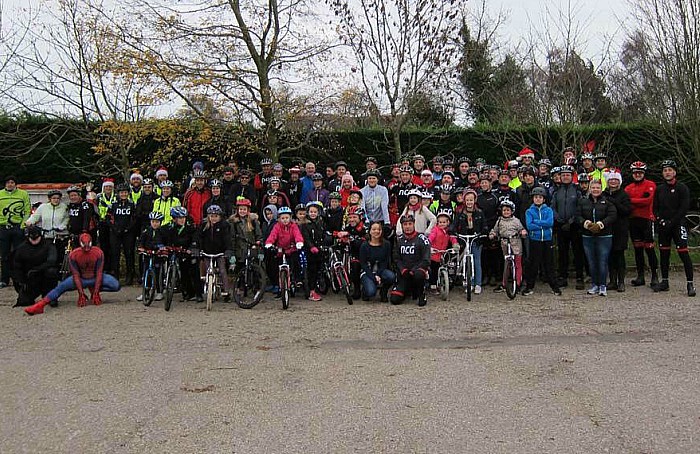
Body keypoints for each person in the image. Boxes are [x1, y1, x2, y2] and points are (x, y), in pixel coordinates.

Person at [24, 233, 121, 315]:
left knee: (116, 285)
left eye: (88, 244)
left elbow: (99, 272)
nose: (87, 248)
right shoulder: (74, 254)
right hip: (82, 278)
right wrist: (81, 293)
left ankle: (92, 289)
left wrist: (95, 291)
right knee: (60, 287)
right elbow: (76, 274)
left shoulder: (98, 253)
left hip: (93, 277)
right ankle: (40, 305)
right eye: (84, 244)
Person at [653, 160, 695, 296]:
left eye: (670, 170)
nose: (667, 173)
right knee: (664, 254)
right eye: (665, 170)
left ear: (674, 172)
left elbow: (684, 208)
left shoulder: (682, 188)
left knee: (683, 253)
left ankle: (690, 284)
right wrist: (660, 220)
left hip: (678, 225)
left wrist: (672, 222)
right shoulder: (659, 189)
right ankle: (664, 281)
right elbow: (655, 207)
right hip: (664, 225)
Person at [577, 179, 617, 296]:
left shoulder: (607, 202)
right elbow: (577, 215)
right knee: (591, 261)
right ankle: (594, 284)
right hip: (588, 236)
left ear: (601, 189)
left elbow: (612, 215)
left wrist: (601, 224)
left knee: (602, 260)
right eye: (593, 188)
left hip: (604, 236)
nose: (595, 190)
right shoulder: (583, 202)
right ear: (590, 189)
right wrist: (586, 224)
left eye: (597, 188)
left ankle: (603, 285)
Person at [624, 161, 659, 287]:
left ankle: (654, 276)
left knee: (649, 248)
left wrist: (632, 200)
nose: (638, 175)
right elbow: (626, 203)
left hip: (647, 219)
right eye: (635, 173)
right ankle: (640, 276)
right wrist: (636, 201)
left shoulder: (650, 184)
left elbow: (647, 200)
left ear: (644, 173)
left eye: (640, 173)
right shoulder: (628, 187)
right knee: (637, 249)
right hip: (634, 220)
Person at [551, 166, 585, 290]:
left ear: (572, 176)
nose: (565, 177)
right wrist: (559, 219)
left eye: (568, 175)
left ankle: (580, 277)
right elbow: (552, 207)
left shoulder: (577, 190)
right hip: (561, 226)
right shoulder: (556, 191)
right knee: (562, 252)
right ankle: (562, 277)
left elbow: (579, 207)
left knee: (577, 252)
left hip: (574, 226)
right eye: (563, 175)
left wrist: (571, 221)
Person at [523, 187, 561, 296]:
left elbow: (550, 223)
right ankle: (529, 287)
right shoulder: (529, 211)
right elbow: (529, 226)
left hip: (547, 240)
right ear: (533, 199)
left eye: (540, 197)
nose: (538, 199)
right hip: (535, 240)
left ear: (544, 199)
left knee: (549, 264)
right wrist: (542, 225)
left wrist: (537, 222)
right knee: (533, 264)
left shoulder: (548, 210)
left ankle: (555, 287)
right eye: (536, 197)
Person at [11, 226, 58, 307]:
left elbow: (52, 261)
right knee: (24, 302)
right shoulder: (22, 248)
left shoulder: (49, 245)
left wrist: (37, 270)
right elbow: (16, 266)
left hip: (45, 276)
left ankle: (50, 296)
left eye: (36, 238)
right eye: (32, 239)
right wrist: (21, 282)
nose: (34, 241)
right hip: (30, 279)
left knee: (51, 271)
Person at [391, 214, 431, 307]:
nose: (407, 226)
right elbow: (396, 258)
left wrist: (414, 270)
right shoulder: (399, 240)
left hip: (418, 270)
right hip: (404, 273)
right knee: (395, 300)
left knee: (418, 274)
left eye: (410, 224)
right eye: (405, 224)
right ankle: (408, 290)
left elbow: (426, 260)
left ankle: (421, 293)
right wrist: (403, 270)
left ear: (414, 224)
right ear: (402, 226)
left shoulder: (422, 239)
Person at [264, 206, 304, 299]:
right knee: (277, 267)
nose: (285, 220)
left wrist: (299, 242)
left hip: (291, 248)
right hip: (280, 250)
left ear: (290, 218)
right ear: (279, 219)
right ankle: (280, 287)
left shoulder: (293, 226)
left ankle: (296, 279)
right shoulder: (277, 226)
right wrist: (269, 243)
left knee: (295, 263)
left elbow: (297, 234)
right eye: (282, 218)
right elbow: (272, 236)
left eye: (287, 218)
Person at [489, 199, 527, 293]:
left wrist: (523, 232)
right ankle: (504, 283)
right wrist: (492, 234)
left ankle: (518, 283)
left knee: (517, 264)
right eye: (504, 210)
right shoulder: (499, 221)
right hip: (505, 244)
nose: (506, 212)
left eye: (508, 210)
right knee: (506, 264)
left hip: (515, 244)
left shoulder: (516, 221)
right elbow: (495, 230)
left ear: (512, 211)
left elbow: (521, 229)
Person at [164, 206, 202, 302]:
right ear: (174, 219)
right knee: (183, 272)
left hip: (188, 251)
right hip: (176, 251)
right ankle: (186, 292)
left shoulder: (190, 228)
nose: (182, 220)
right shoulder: (169, 228)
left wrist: (192, 247)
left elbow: (196, 238)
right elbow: (164, 238)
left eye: (183, 218)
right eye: (180, 218)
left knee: (194, 271)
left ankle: (198, 294)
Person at [0, 175, 32, 288]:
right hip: (3, 228)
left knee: (19, 254)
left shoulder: (23, 194)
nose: (10, 184)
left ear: (15, 184)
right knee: (4, 255)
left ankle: (19, 278)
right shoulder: (0, 194)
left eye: (12, 182)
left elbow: (27, 209)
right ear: (5, 184)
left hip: (18, 227)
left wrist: (23, 224)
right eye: (8, 182)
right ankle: (4, 279)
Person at [454, 189, 488, 294]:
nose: (469, 202)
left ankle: (477, 283)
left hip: (476, 238)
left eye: (471, 200)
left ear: (475, 200)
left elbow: (484, 225)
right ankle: (469, 282)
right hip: (464, 238)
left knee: (476, 260)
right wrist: (453, 232)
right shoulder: (460, 213)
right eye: (467, 200)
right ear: (464, 201)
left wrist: (483, 232)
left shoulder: (479, 212)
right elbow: (454, 225)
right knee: (466, 259)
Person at [604, 170, 631, 292]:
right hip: (607, 227)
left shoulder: (623, 194)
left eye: (615, 179)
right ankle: (612, 280)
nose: (613, 181)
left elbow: (627, 211)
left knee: (619, 255)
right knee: (609, 255)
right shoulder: (603, 193)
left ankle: (621, 281)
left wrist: (614, 202)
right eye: (611, 179)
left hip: (620, 228)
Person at [25, 189, 69, 264]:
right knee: (47, 256)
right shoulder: (43, 207)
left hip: (59, 236)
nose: (56, 200)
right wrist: (29, 222)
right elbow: (35, 216)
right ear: (49, 199)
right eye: (54, 198)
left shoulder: (64, 207)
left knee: (59, 256)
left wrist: (62, 227)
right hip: (46, 236)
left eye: (58, 198)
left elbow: (67, 219)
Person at [108, 183, 137, 285]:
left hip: (128, 233)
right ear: (118, 193)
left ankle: (130, 275)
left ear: (128, 193)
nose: (123, 194)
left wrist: (127, 229)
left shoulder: (131, 204)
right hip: (115, 232)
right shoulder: (114, 204)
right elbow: (109, 217)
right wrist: (115, 228)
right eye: (122, 192)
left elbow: (134, 218)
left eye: (125, 192)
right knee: (115, 254)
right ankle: (115, 275)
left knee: (129, 253)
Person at [359, 221, 395, 302]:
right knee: (371, 292)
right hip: (367, 271)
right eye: (374, 229)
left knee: (391, 277)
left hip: (381, 270)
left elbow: (385, 261)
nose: (376, 231)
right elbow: (363, 264)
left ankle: (383, 291)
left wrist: (378, 274)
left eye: (379, 229)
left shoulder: (387, 244)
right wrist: (373, 277)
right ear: (370, 231)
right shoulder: (364, 246)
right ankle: (365, 291)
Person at [137, 212, 168, 301]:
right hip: (148, 254)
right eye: (153, 221)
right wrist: (140, 248)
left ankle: (159, 291)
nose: (155, 224)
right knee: (146, 272)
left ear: (160, 222)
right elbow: (141, 242)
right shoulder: (146, 231)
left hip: (158, 255)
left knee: (158, 273)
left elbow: (166, 243)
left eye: (157, 222)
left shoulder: (162, 232)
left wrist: (163, 249)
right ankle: (145, 292)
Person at [428, 212, 459, 293]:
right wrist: (428, 243)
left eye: (444, 222)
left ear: (448, 222)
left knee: (446, 266)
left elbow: (452, 238)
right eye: (440, 222)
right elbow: (431, 237)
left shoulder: (448, 231)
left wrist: (455, 244)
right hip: (434, 253)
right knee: (434, 269)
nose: (442, 224)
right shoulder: (435, 230)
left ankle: (446, 282)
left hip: (443, 253)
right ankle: (433, 285)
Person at [301, 201, 326, 301]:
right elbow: (306, 238)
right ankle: (311, 291)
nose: (313, 214)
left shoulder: (320, 222)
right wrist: (311, 246)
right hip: (310, 251)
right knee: (312, 270)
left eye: (315, 212)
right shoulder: (305, 224)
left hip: (319, 249)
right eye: (311, 212)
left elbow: (322, 235)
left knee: (320, 268)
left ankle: (318, 286)